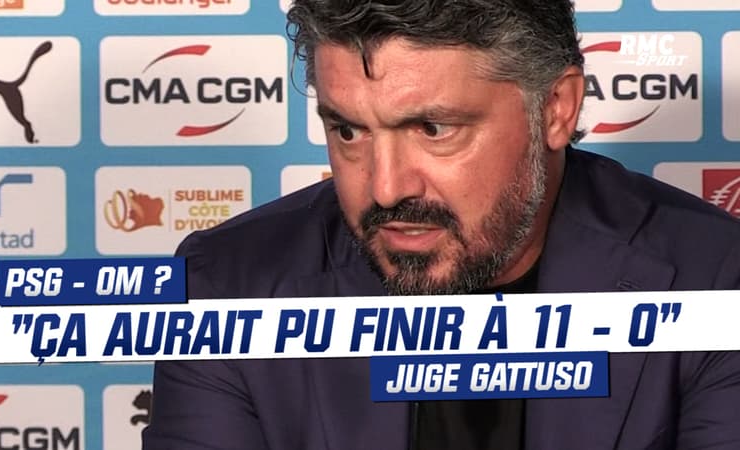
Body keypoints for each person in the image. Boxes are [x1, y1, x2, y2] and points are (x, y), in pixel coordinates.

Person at [142, 1, 740, 448]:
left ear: (555, 109)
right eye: (348, 130)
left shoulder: (715, 279)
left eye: (433, 129)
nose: (386, 188)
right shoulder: (224, 286)